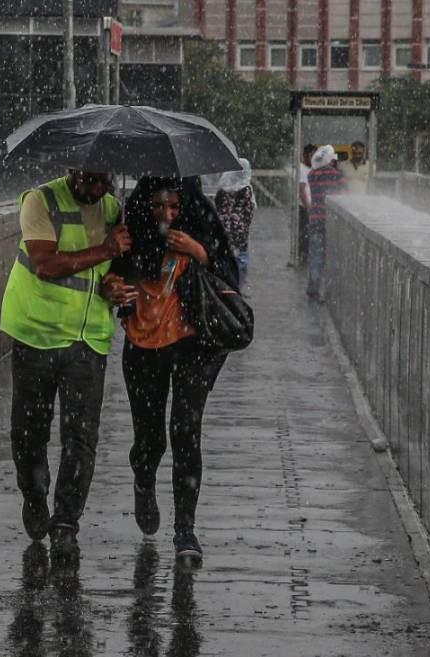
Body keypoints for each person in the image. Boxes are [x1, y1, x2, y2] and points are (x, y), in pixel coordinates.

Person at [0, 169, 136, 567]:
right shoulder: (40, 202)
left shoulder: (113, 208)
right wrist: (106, 250)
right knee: (29, 433)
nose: (98, 190)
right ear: (73, 171)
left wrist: (115, 285)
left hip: (88, 338)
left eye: (105, 181)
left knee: (81, 439)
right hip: (36, 333)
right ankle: (34, 493)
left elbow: (112, 274)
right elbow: (44, 264)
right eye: (90, 181)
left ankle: (65, 525)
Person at [111, 176, 239, 562]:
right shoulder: (131, 236)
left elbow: (230, 278)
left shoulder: (202, 230)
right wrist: (115, 285)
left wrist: (200, 252)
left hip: (193, 345)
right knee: (150, 437)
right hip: (144, 347)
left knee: (186, 430)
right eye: (157, 206)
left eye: (173, 207)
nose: (166, 215)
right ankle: (144, 478)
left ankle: (185, 531)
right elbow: (110, 277)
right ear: (144, 207)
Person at [306, 145, 347, 300]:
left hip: (315, 219)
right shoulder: (336, 174)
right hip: (331, 221)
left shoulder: (312, 175)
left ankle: (313, 287)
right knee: (331, 255)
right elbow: (345, 192)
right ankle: (329, 291)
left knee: (315, 255)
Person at [214, 158, 258, 290]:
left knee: (225, 255)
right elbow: (249, 211)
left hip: (222, 231)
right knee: (241, 259)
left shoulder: (222, 189)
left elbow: (217, 207)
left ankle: (225, 283)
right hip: (240, 232)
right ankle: (238, 286)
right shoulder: (246, 190)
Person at [297, 144, 317, 265]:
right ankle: (303, 258)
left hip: (313, 207)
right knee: (305, 235)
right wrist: (309, 208)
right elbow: (302, 190)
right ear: (305, 155)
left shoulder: (313, 169)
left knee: (311, 234)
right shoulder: (302, 169)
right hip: (305, 207)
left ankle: (308, 258)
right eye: (312, 155)